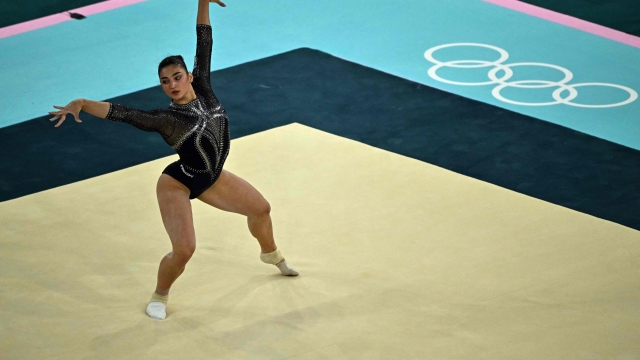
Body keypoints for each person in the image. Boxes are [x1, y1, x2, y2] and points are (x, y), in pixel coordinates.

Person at [48, 0, 298, 321]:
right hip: (178, 182)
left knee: (261, 209)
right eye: (165, 82)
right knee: (185, 249)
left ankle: (271, 254)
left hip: (212, 177)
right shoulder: (168, 119)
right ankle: (159, 296)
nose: (172, 85)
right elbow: (124, 113)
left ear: (190, 76)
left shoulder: (205, 87)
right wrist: (83, 103)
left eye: (177, 77)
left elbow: (204, 40)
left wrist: (203, 2)